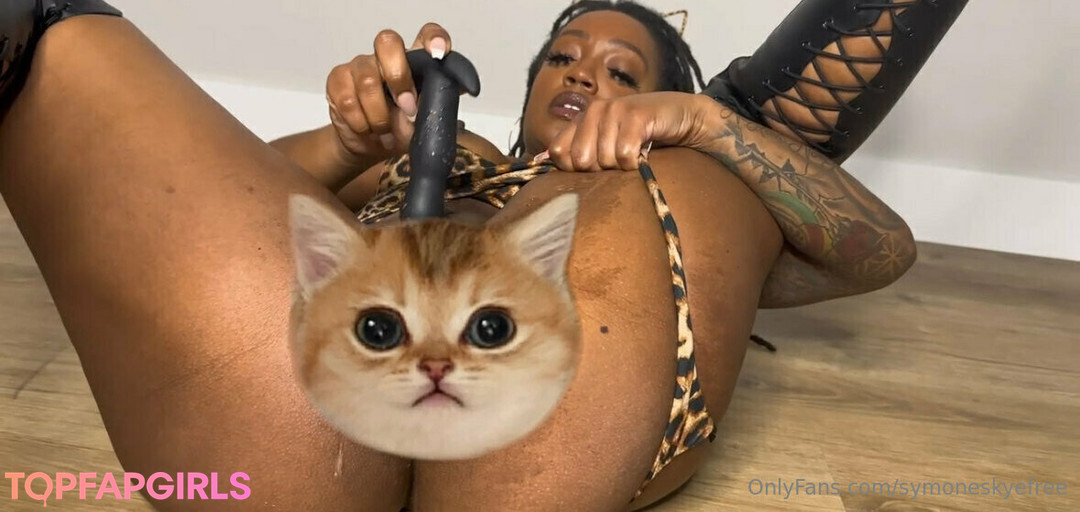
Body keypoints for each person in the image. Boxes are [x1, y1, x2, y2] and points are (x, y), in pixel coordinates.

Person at [0, 1, 925, 510]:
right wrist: (350, 148)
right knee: (41, 29)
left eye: (623, 72)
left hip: (547, 441)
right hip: (302, 423)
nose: (584, 71)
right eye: (563, 57)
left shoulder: (678, 173)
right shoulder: (445, 153)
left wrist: (707, 123)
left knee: (734, 143)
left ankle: (726, 112)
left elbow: (876, 253)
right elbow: (193, 213)